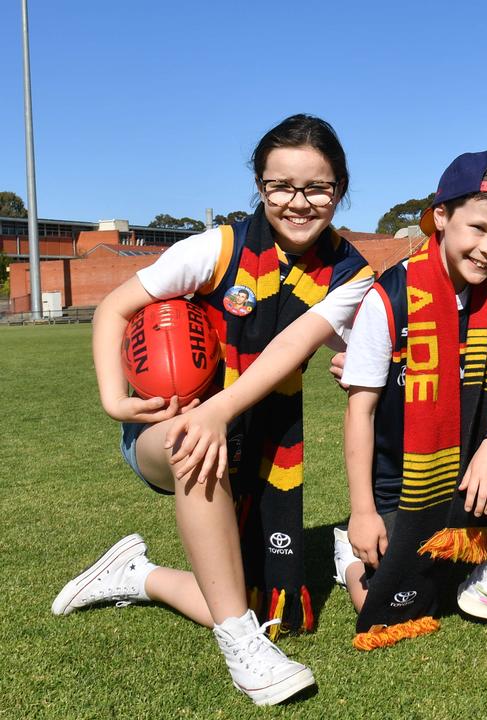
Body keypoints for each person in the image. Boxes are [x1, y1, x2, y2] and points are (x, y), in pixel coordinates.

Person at [53, 114, 374, 705]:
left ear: (341, 188)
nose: (298, 203)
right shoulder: (217, 248)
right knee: (189, 444)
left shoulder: (352, 273)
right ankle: (242, 650)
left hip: (252, 437)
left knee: (246, 595)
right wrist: (111, 397)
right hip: (171, 432)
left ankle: (136, 574)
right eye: (280, 185)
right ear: (259, 184)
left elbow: (293, 347)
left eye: (318, 188)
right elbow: (114, 309)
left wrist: (354, 359)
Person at [333, 151, 487, 646]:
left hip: (468, 459)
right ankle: (352, 559)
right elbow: (361, 412)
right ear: (441, 217)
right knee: (390, 612)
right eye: (478, 229)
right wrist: (362, 512)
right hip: (400, 480)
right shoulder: (389, 296)